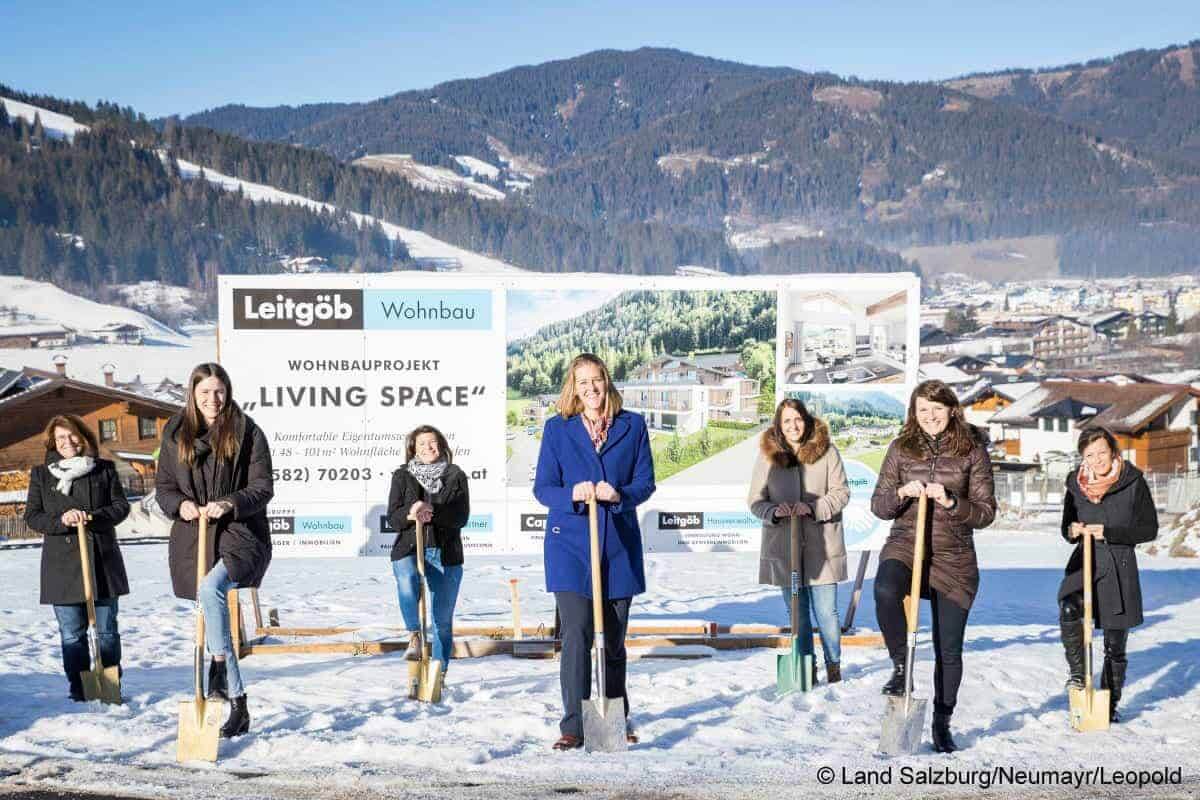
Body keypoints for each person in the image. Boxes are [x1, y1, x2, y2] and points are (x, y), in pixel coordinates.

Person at [533, 353, 655, 750]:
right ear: (573, 387)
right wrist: (572, 493)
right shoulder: (558, 429)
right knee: (577, 635)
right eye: (582, 382)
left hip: (617, 545)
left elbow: (645, 482)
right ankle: (574, 724)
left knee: (614, 640)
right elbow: (543, 488)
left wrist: (618, 494)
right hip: (570, 546)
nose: (591, 388)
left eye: (596, 380)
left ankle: (615, 718)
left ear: (607, 381)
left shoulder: (632, 425)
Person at [871, 379, 996, 753]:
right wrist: (900, 493)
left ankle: (943, 721)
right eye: (923, 410)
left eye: (937, 410)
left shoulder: (972, 450)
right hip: (907, 544)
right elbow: (879, 506)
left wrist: (952, 501)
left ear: (951, 410)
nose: (930, 417)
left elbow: (986, 512)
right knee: (885, 590)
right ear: (914, 412)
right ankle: (900, 666)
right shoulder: (900, 448)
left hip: (953, 556)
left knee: (949, 649)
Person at [156, 363, 273, 738]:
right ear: (192, 393)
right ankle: (233, 697)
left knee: (211, 589)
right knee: (207, 601)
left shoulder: (247, 431)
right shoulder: (175, 433)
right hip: (195, 535)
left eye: (219, 391)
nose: (213, 399)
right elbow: (164, 487)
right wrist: (181, 505)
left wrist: (230, 503)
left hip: (241, 533)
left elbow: (262, 486)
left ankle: (223, 673)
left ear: (229, 391)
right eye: (204, 392)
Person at [25, 414, 130, 701]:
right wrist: (63, 520)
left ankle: (111, 684)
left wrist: (92, 516)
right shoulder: (42, 475)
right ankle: (79, 688)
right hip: (61, 567)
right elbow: (32, 516)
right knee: (72, 634)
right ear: (52, 443)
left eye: (72, 436)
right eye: (60, 438)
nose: (67, 442)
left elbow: (121, 508)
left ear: (83, 438)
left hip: (101, 561)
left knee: (107, 631)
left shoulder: (104, 470)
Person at [1058, 426, 1157, 723]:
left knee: (1115, 644)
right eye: (1090, 454)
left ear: (1113, 451)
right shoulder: (1075, 484)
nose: (1097, 459)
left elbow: (1148, 529)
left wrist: (1110, 532)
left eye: (1102, 452)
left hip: (1119, 564)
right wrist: (1072, 530)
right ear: (1082, 457)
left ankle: (1108, 705)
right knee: (1069, 607)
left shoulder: (1133, 481)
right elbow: (1067, 524)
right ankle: (1078, 676)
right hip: (1085, 561)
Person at [748, 398, 850, 684]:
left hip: (822, 546)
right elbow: (755, 500)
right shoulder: (767, 457)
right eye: (786, 421)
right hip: (785, 547)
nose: (793, 426)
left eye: (798, 419)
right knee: (797, 613)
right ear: (779, 426)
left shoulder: (827, 452)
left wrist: (814, 508)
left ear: (806, 420)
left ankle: (834, 665)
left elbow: (841, 493)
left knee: (827, 612)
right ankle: (807, 666)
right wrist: (773, 511)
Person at [386, 424, 470, 669]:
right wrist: (412, 511)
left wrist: (433, 511)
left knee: (441, 619)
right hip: (410, 547)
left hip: (445, 552)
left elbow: (460, 516)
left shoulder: (455, 475)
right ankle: (414, 632)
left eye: (432, 442)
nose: (427, 447)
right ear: (413, 448)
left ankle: (439, 671)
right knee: (408, 580)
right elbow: (393, 518)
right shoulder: (402, 476)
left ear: (441, 445)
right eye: (421, 443)